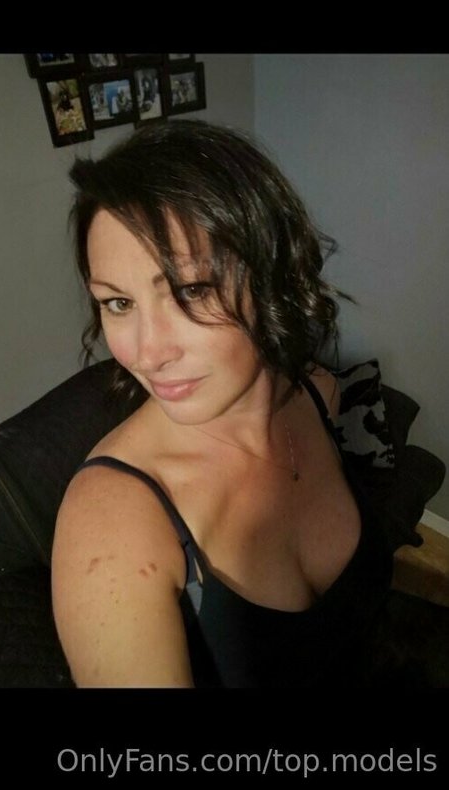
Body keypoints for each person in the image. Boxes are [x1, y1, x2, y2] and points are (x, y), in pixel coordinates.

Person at [51, 119, 393, 688]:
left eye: (191, 290)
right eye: (117, 303)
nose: (146, 353)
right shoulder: (113, 521)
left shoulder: (317, 393)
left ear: (272, 277)